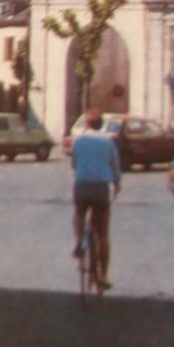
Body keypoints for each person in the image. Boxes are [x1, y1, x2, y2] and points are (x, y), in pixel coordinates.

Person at [70, 109, 121, 290]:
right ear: (102, 125)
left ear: (86, 125)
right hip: (100, 187)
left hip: (82, 184)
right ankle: (103, 277)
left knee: (78, 214)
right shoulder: (108, 142)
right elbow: (115, 166)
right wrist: (117, 184)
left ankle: (78, 242)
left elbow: (74, 164)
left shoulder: (79, 141)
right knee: (103, 233)